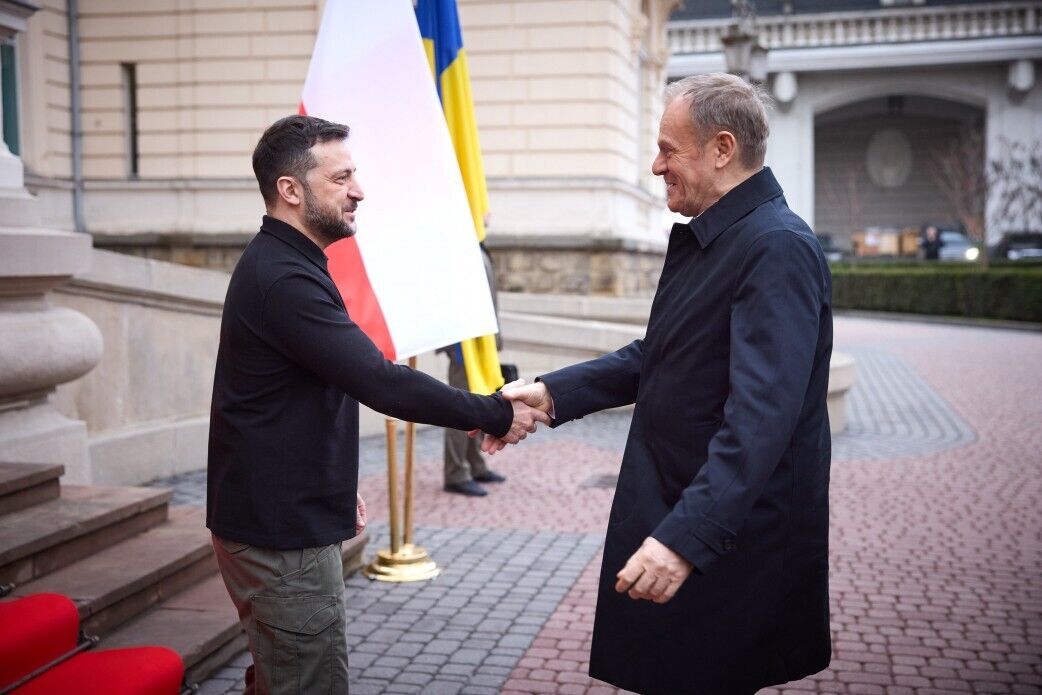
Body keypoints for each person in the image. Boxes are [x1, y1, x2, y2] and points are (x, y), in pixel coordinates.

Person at [487, 73, 834, 693]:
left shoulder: (776, 247)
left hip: (728, 543)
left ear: (722, 149)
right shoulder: (721, 237)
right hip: (689, 514)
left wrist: (685, 539)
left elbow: (761, 420)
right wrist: (554, 392)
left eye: (669, 149)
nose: (655, 166)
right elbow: (663, 356)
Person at [207, 114, 548, 695]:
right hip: (279, 534)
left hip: (282, 516)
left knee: (280, 678)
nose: (359, 190)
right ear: (290, 191)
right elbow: (380, 382)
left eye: (354, 175)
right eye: (341, 178)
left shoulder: (291, 263)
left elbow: (310, 392)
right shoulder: (284, 277)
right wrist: (495, 410)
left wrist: (335, 488)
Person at [440, 229, 507, 497]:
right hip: (464, 345)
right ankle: (455, 472)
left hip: (482, 344)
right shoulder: (461, 249)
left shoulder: (477, 246)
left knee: (478, 404)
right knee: (459, 409)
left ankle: (475, 465)